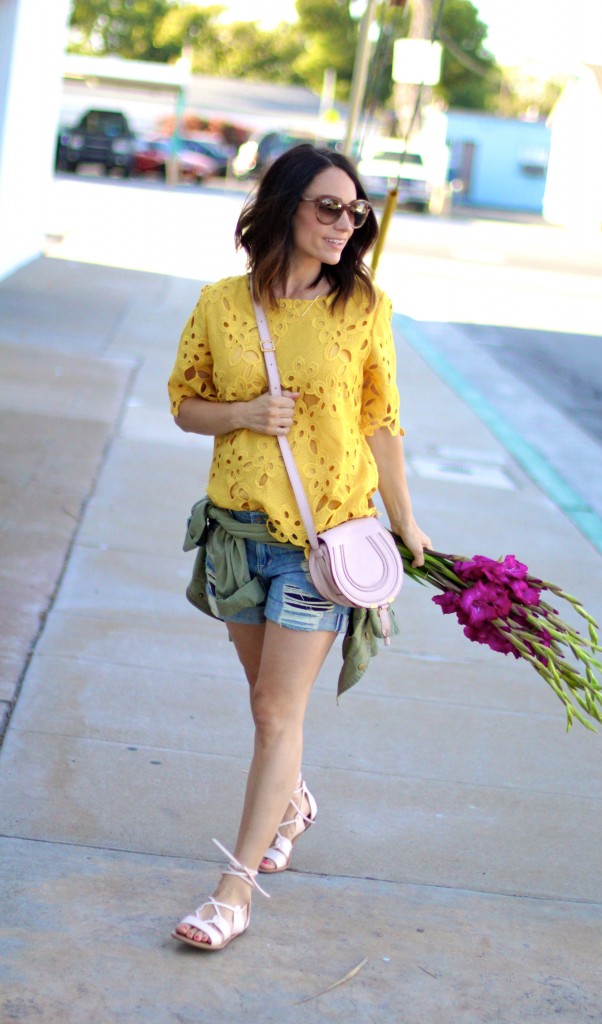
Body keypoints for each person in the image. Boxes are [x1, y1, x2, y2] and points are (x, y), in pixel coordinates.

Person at [168, 143, 431, 951]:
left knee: (279, 712)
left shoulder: (363, 308)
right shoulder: (220, 304)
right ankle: (293, 805)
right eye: (327, 206)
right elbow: (185, 403)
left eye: (354, 213)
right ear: (282, 205)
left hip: (323, 543)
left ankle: (233, 891)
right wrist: (243, 413)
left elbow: (381, 422)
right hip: (238, 534)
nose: (344, 224)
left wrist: (407, 522)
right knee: (262, 705)